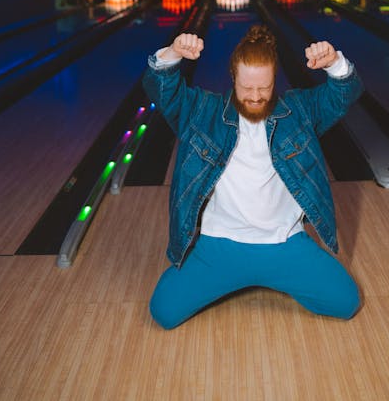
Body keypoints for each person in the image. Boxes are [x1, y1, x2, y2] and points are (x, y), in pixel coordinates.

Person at [143, 24, 363, 329]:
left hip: (285, 245)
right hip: (220, 247)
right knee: (163, 312)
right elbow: (161, 87)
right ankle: (237, 278)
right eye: (247, 88)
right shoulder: (202, 112)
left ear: (276, 81)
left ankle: (278, 279)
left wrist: (335, 63)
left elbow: (343, 95)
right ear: (233, 78)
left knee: (345, 302)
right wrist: (172, 53)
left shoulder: (299, 111)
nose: (256, 96)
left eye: (265, 87)